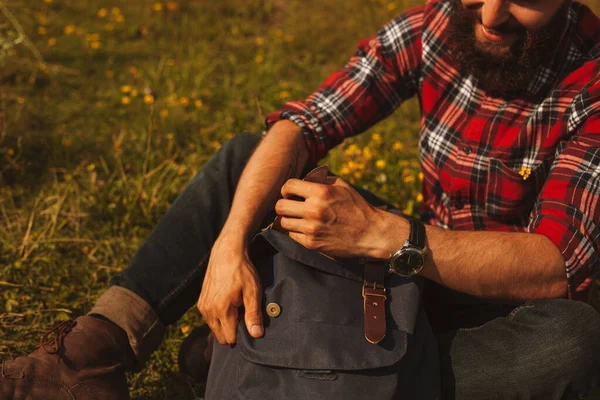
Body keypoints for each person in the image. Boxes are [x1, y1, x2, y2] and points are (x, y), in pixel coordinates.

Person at [2, 0, 600, 398]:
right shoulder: (434, 26)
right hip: (414, 265)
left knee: (572, 342)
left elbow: (554, 268)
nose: (492, 14)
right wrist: (230, 244)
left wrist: (385, 236)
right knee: (249, 161)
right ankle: (89, 357)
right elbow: (303, 125)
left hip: (495, 297)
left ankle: (294, 358)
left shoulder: (593, 78)